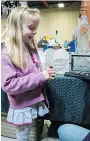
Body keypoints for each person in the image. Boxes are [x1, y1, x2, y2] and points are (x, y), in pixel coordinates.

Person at [1, 6, 56, 141]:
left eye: (36, 28)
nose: (35, 31)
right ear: (16, 27)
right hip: (22, 105)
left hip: (33, 100)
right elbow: (8, 85)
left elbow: (34, 69)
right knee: (23, 136)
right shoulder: (6, 54)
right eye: (31, 28)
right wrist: (40, 76)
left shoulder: (29, 46)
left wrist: (44, 73)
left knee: (31, 132)